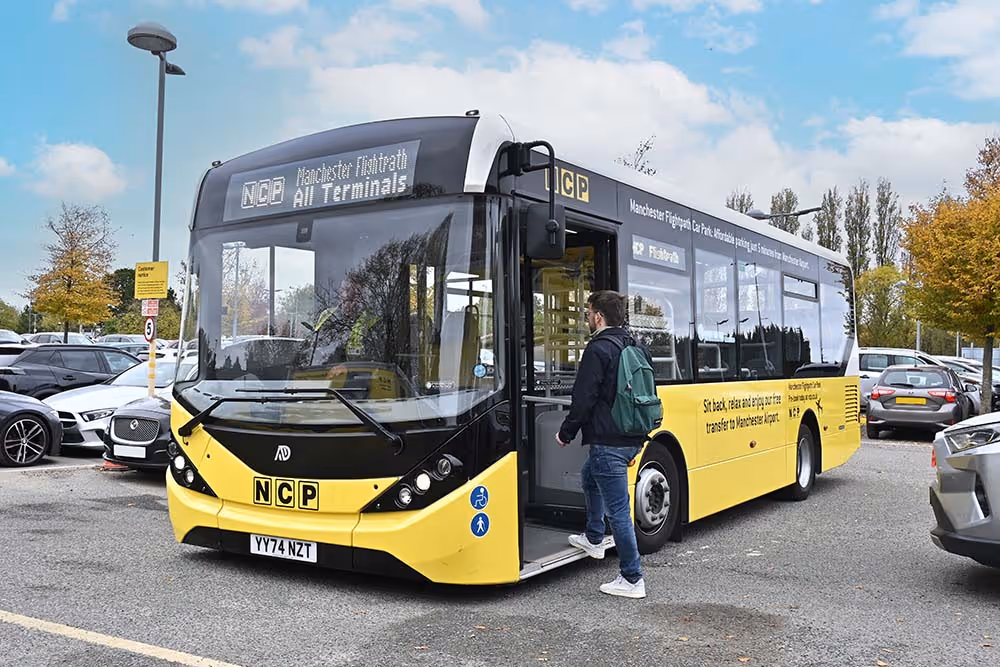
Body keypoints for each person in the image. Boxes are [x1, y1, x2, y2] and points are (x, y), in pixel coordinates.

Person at [555, 290, 650, 599]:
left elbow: (584, 397)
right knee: (589, 477)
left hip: (608, 441)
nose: (587, 317)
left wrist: (567, 432)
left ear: (598, 316)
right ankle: (594, 537)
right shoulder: (633, 344)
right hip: (631, 436)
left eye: (588, 312)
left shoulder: (599, 349)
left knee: (619, 510)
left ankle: (632, 577)